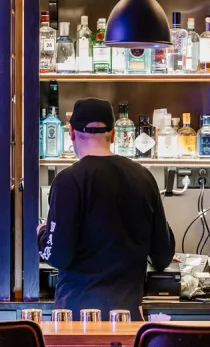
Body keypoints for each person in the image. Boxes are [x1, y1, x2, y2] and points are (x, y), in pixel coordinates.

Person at [37, 98, 175, 318]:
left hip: (76, 317)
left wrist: (42, 234)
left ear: (71, 132)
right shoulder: (144, 177)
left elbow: (57, 256)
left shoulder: (67, 181)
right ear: (112, 134)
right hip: (127, 316)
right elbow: (163, 256)